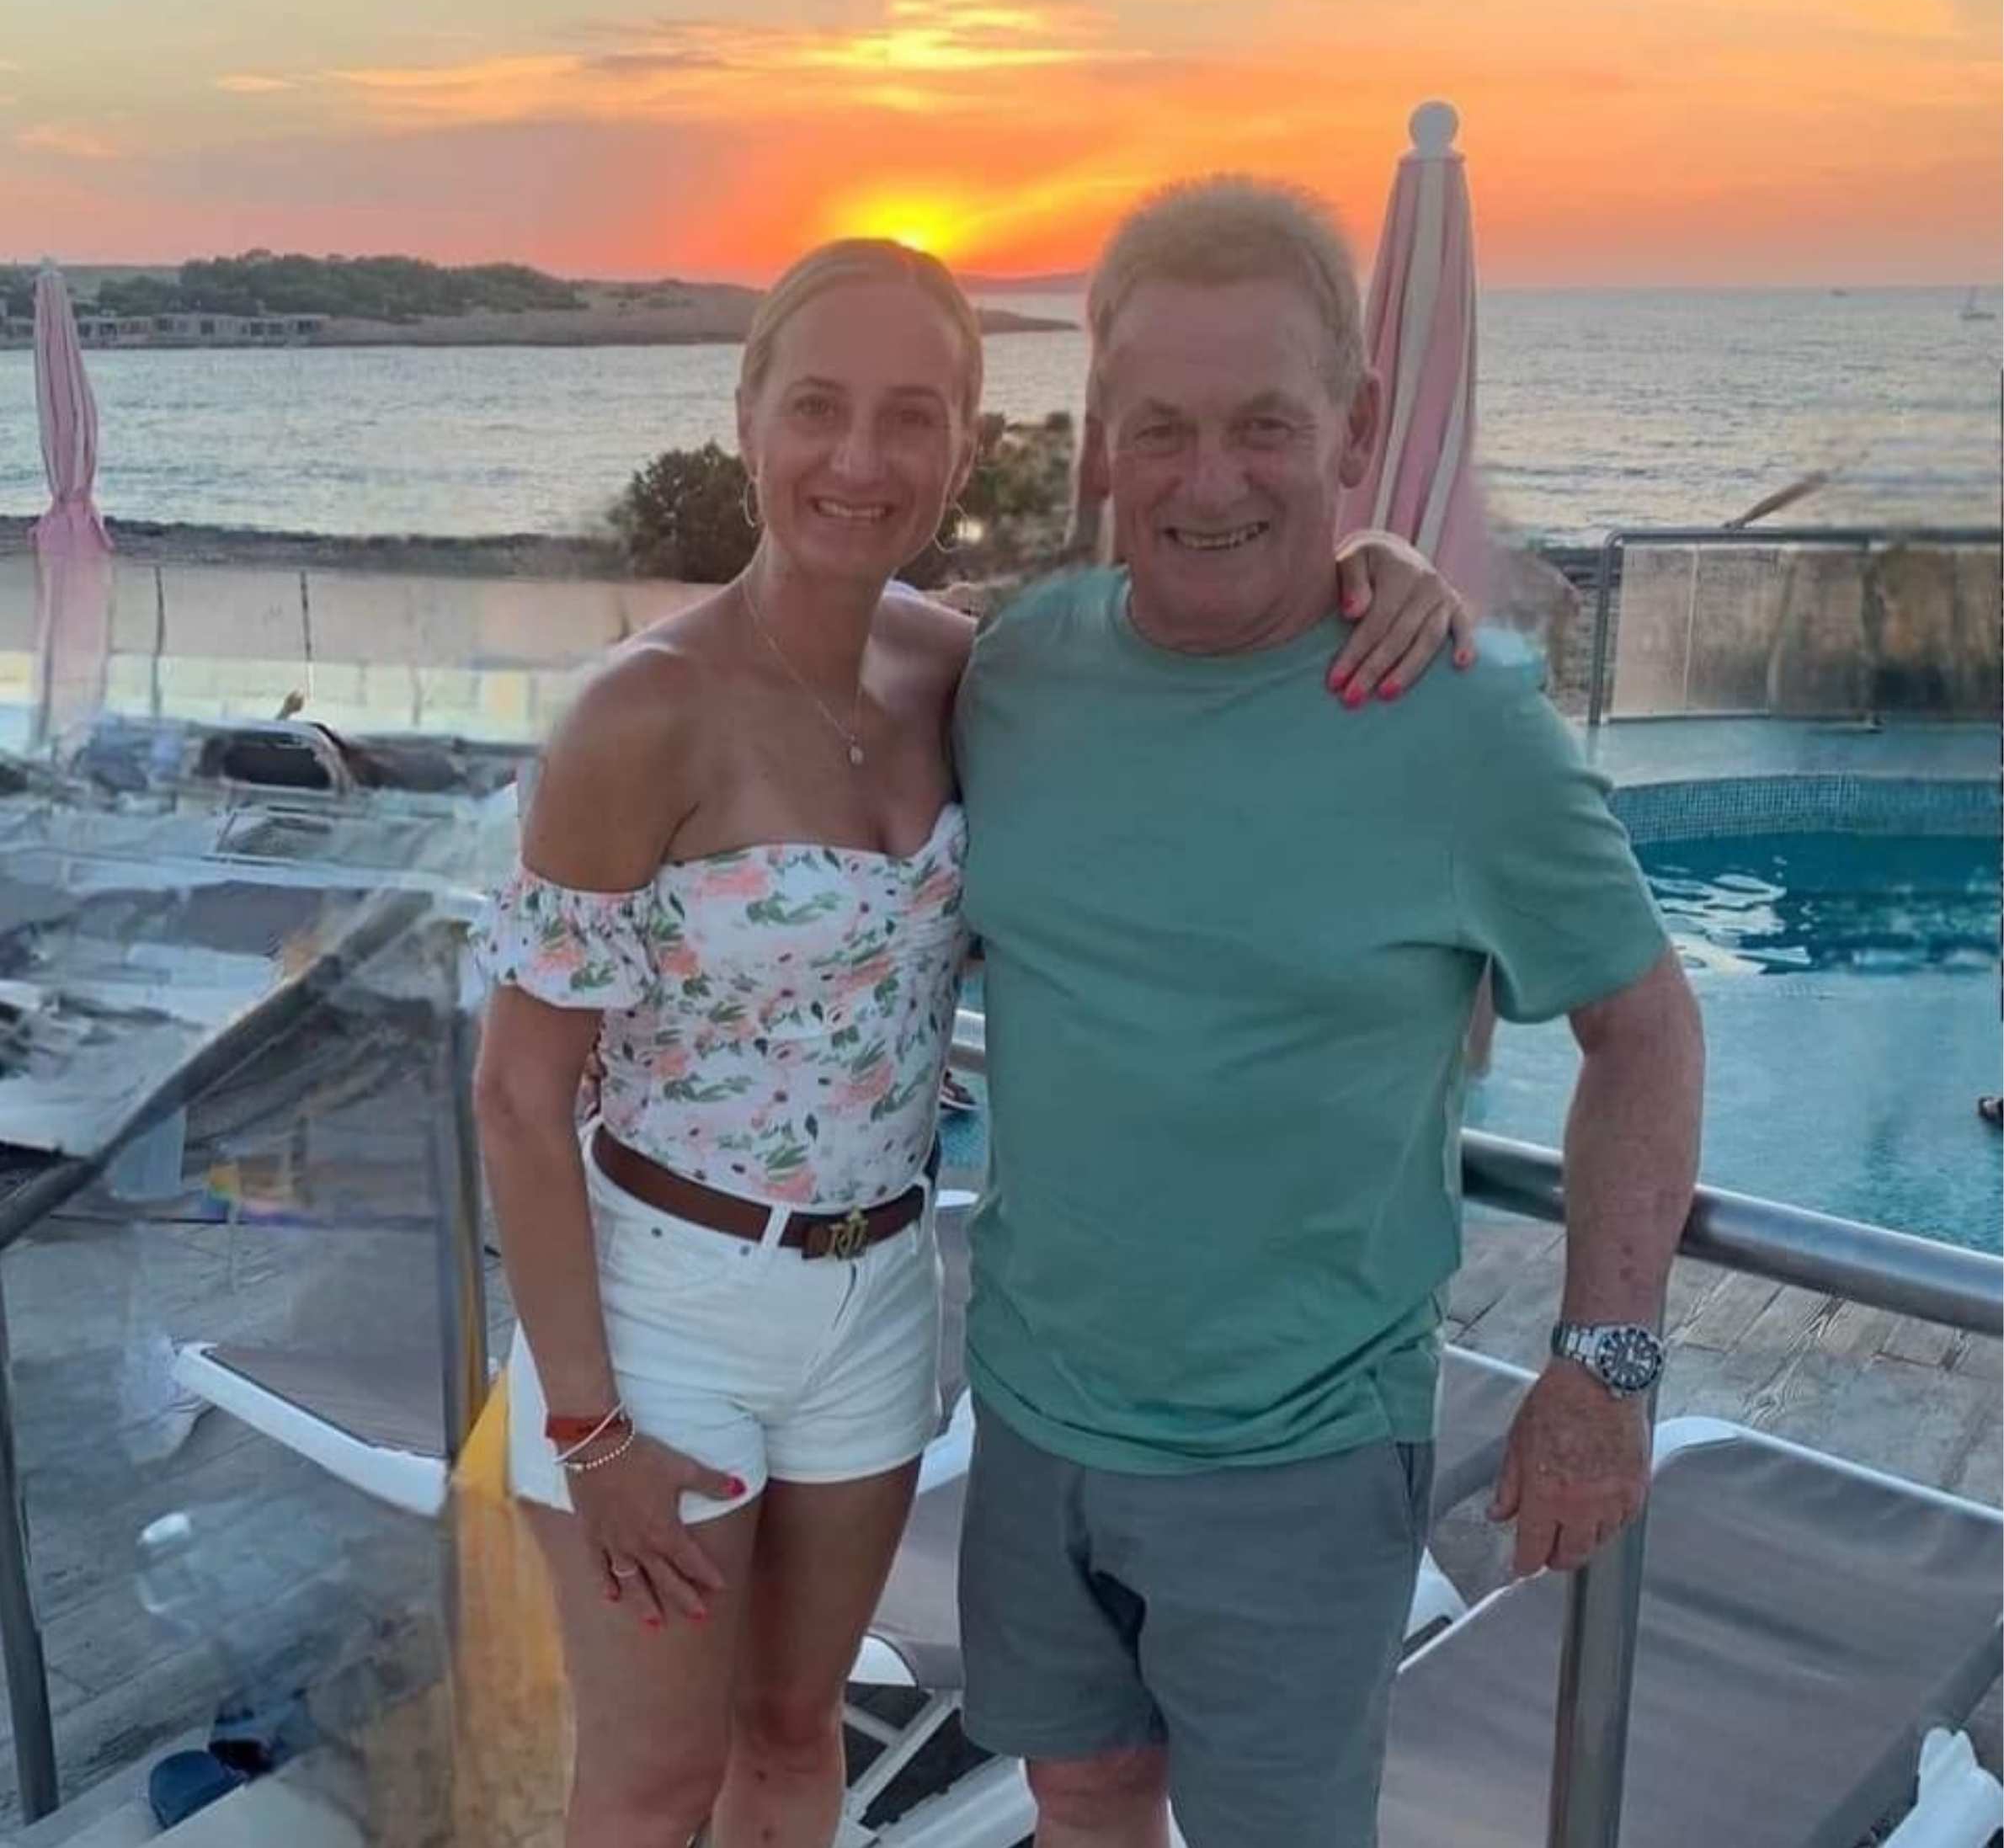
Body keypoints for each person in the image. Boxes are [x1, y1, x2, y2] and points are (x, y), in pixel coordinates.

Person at [471, 235, 1474, 1848]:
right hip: (663, 1310)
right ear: (747, 416)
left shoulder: (970, 675)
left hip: (879, 1295)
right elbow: (521, 1098)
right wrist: (588, 1429)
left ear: (963, 447)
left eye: (912, 416)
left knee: (794, 1738)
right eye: (818, 407)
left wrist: (1381, 565)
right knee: (652, 1782)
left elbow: (1206, 645)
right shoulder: (639, 714)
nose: (859, 458)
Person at [951, 176, 1707, 1848]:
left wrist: (1603, 1364)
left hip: (1296, 1450)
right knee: (1079, 1792)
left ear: (1353, 426)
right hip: (1029, 1402)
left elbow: (1644, 1025)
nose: (1208, 479)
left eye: (1263, 426)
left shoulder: (1461, 721)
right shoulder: (1012, 673)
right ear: (1099, 437)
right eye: (1160, 427)